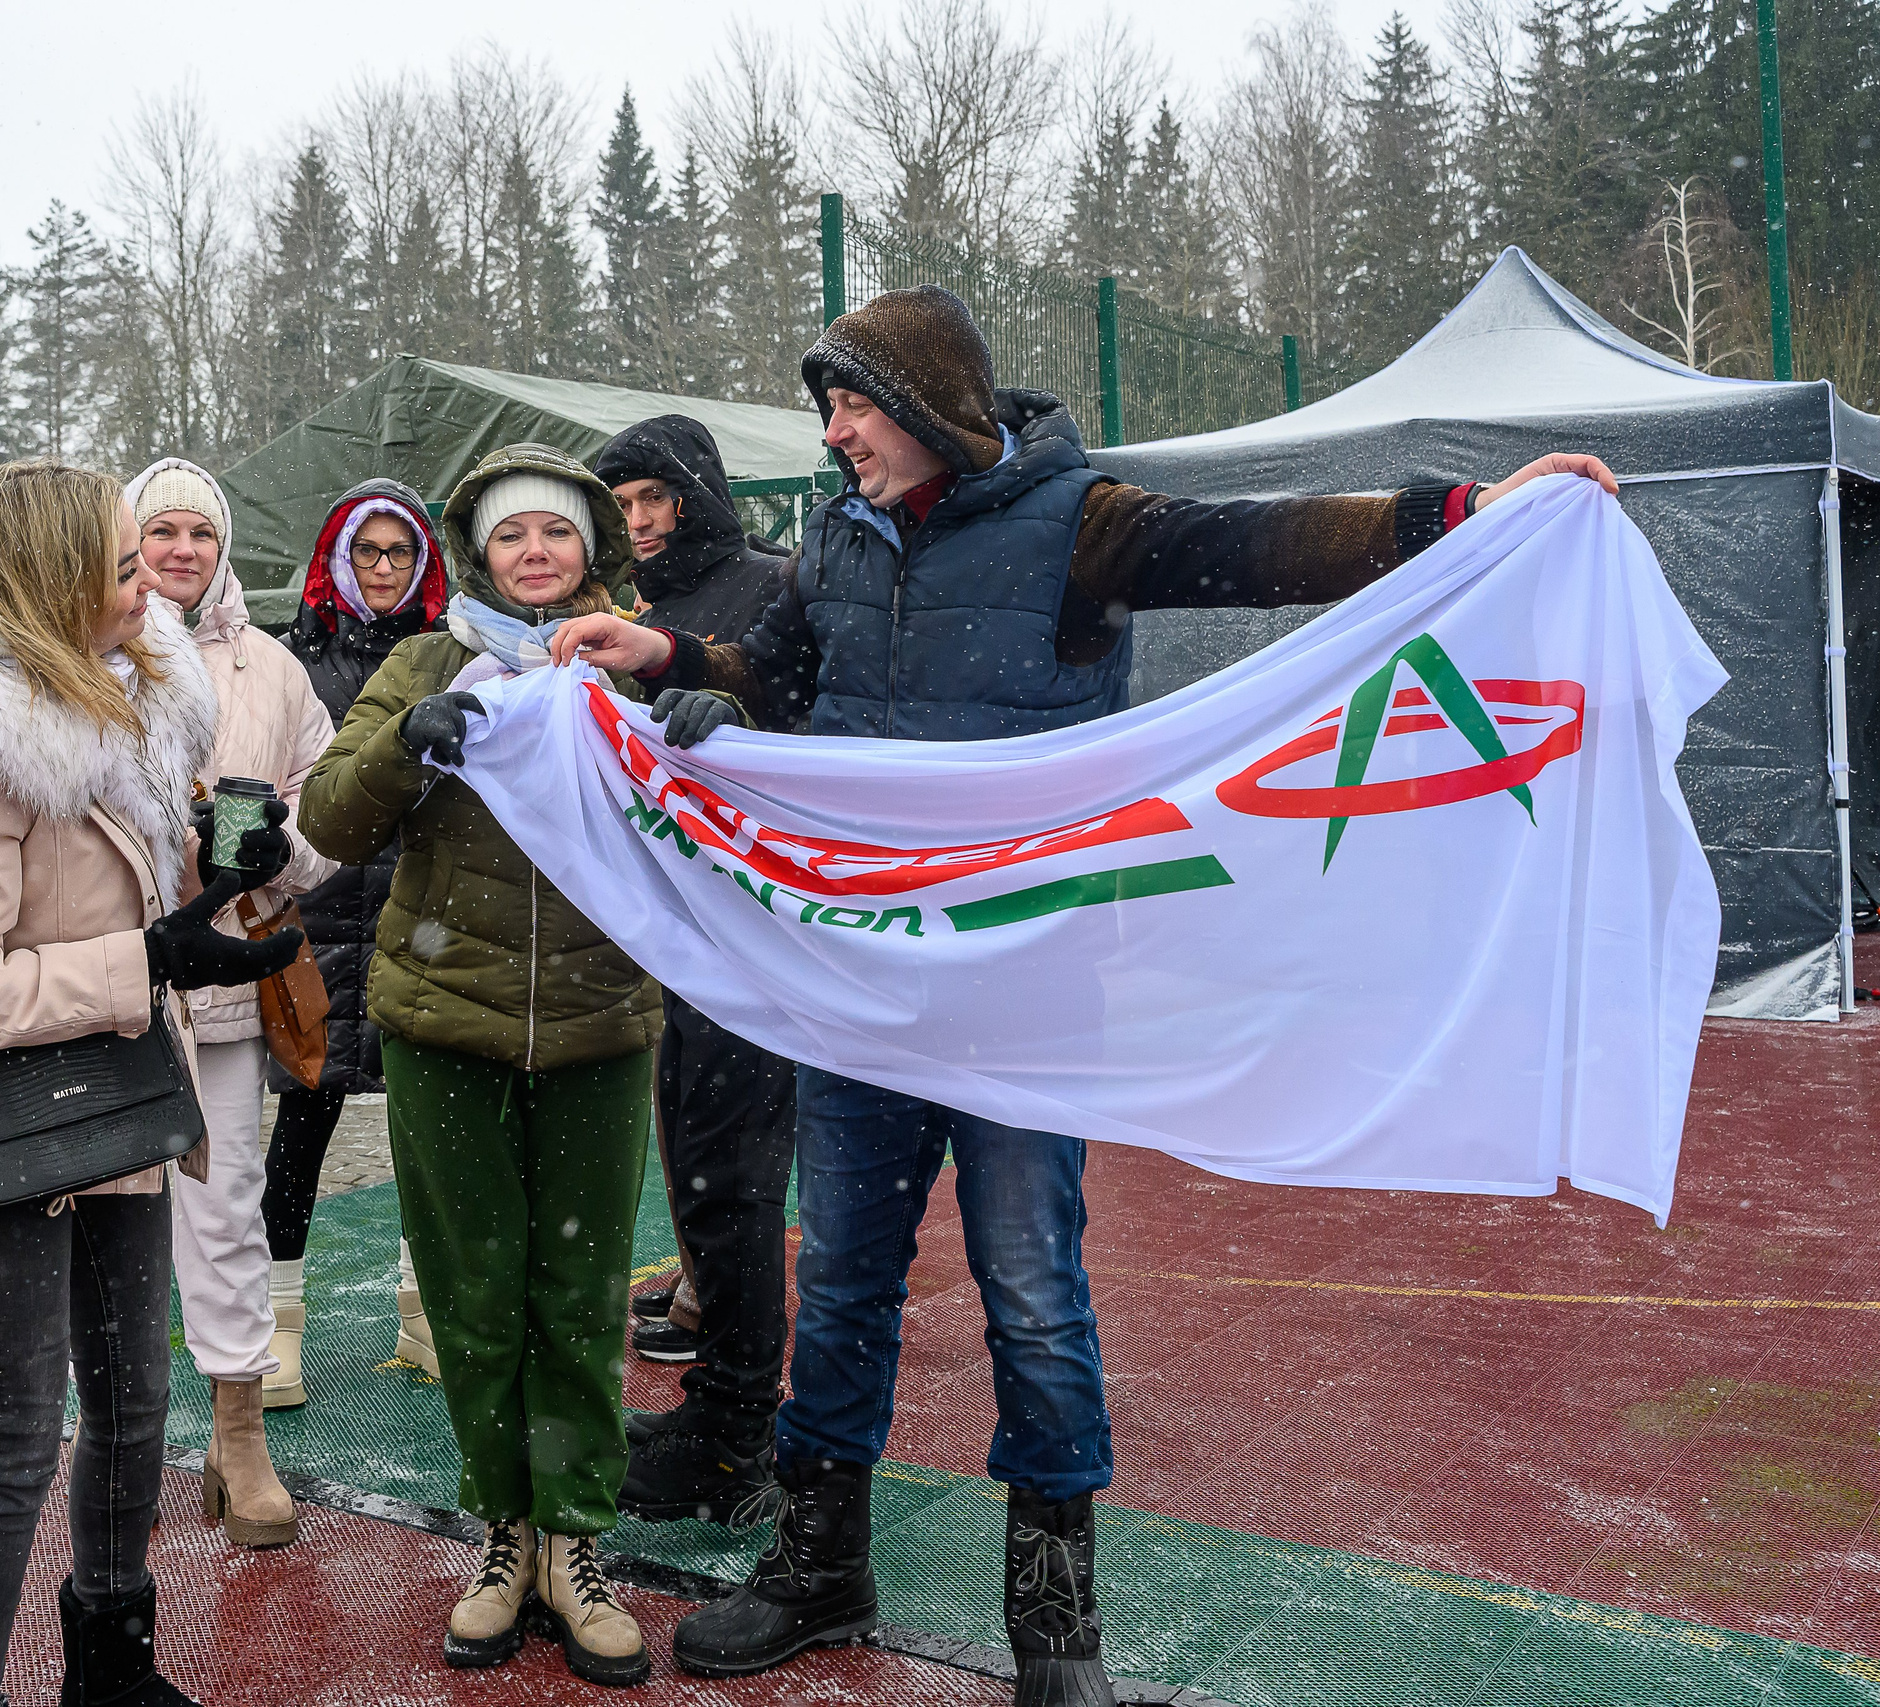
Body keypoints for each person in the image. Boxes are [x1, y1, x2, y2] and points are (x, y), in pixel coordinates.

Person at [549, 284, 1620, 1705]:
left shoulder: (1086, 520)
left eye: (851, 403)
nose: (834, 431)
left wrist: (1465, 514)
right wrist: (676, 658)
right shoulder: (837, 542)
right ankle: (819, 1565)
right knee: (850, 1274)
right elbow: (781, 679)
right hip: (870, 984)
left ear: (928, 405)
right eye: (828, 407)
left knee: (1035, 1292)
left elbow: (1259, 546)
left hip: (1030, 994)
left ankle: (1056, 1628)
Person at [0, 459, 302, 1707]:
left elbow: (120, 871)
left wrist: (220, 847)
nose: (156, 585)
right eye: (128, 565)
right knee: (17, 1442)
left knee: (138, 1403)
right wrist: (149, 957)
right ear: (51, 585)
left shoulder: (123, 695)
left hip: (119, 1098)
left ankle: (112, 1667)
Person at [299, 444, 665, 1688]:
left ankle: (576, 1539)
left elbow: (717, 809)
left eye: (556, 535)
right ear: (481, 552)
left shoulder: (633, 660)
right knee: (472, 1285)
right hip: (442, 1023)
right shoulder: (426, 660)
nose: (534, 554)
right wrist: (410, 738)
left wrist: (705, 722)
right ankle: (503, 1536)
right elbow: (330, 817)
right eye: (511, 537)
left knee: (581, 1285)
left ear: (589, 549)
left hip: (599, 1022)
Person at [589, 416, 802, 1525]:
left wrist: (741, 712)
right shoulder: (632, 614)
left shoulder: (775, 586)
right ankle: (718, 1407)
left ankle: (739, 1435)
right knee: (700, 1178)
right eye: (620, 505)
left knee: (740, 1183)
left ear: (698, 494)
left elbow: (809, 723)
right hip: (662, 942)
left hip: (749, 937)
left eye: (652, 499)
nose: (637, 522)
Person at [123, 455, 337, 1546]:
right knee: (105, 1205)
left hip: (220, 981)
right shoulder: (83, 656)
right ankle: (118, 1432)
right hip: (106, 978)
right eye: (159, 532)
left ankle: (237, 1433)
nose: (180, 551)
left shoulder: (273, 672)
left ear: (221, 550)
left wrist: (268, 851)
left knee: (224, 1200)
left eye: (198, 534)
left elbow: (327, 816)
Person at [264, 477, 450, 1406]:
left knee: (428, 1133)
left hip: (423, 925)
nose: (384, 569)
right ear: (339, 558)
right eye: (369, 551)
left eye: (402, 552)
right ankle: (278, 1331)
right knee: (303, 1128)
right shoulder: (299, 661)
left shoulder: (453, 660)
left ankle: (423, 1321)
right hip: (327, 926)